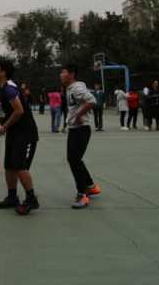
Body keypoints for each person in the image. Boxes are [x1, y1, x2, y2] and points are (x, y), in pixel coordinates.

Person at [0, 61, 40, 215]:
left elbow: (19, 111)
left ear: (3, 72)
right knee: (9, 166)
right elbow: (8, 110)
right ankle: (12, 197)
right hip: (15, 132)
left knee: (19, 166)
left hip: (25, 133)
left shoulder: (9, 89)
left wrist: (4, 127)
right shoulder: (3, 88)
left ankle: (31, 199)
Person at [61, 64, 102, 209]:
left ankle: (82, 194)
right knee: (75, 159)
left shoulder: (77, 88)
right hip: (76, 129)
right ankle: (90, 186)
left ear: (71, 74)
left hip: (81, 129)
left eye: (63, 72)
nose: (61, 75)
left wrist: (78, 116)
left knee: (74, 160)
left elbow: (92, 101)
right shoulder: (70, 88)